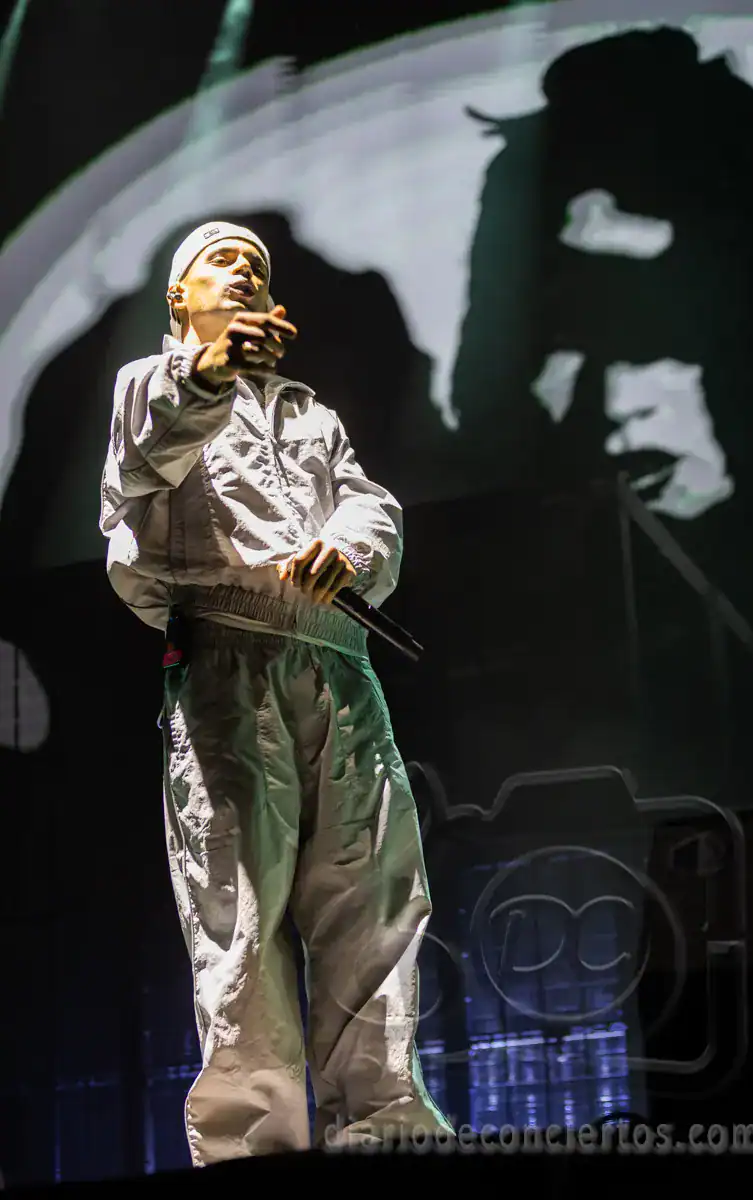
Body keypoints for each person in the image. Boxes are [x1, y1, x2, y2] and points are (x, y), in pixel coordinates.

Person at [99, 220, 452, 1163]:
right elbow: (141, 466)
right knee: (240, 911)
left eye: (255, 265)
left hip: (339, 662)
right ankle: (255, 1149)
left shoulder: (309, 415)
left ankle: (384, 1127)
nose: (244, 270)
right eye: (221, 260)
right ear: (179, 296)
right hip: (228, 655)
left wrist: (350, 550)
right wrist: (206, 374)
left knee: (373, 904)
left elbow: (369, 504)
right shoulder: (150, 385)